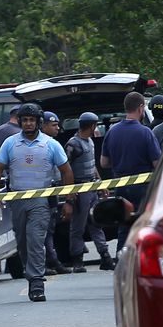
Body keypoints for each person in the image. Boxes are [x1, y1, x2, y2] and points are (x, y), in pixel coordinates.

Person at [0, 103, 74, 302]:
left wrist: (69, 200)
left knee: (36, 238)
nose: (28, 123)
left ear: (38, 122)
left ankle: (36, 282)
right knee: (23, 241)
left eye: (32, 120)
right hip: (17, 200)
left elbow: (67, 171)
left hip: (41, 201)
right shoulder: (10, 143)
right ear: (20, 122)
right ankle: (32, 272)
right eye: (25, 120)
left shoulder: (51, 144)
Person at [100, 92, 161, 251]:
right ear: (141, 108)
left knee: (124, 225)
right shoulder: (145, 132)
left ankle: (121, 258)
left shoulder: (112, 132)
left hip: (120, 186)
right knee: (144, 224)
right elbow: (157, 163)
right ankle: (142, 259)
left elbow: (104, 162)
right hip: (142, 188)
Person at [66, 112, 114, 272]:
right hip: (80, 189)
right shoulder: (74, 144)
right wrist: (70, 193)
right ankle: (77, 260)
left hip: (91, 188)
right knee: (78, 226)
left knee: (96, 223)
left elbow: (92, 165)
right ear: (92, 126)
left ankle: (105, 256)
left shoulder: (89, 142)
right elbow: (66, 169)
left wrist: (100, 184)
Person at [40, 111, 71, 276]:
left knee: (50, 229)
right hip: (41, 193)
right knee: (43, 230)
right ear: (43, 126)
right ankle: (48, 262)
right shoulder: (43, 145)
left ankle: (52, 260)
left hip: (52, 191)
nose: (58, 128)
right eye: (54, 125)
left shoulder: (52, 143)